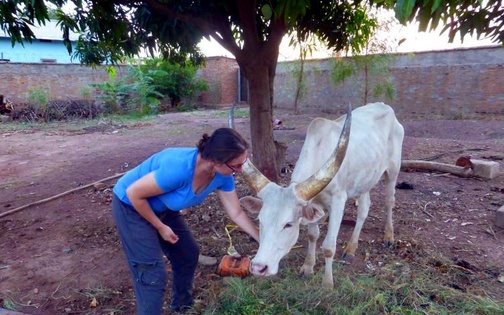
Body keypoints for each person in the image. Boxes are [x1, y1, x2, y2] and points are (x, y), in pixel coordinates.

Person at [111, 127, 260, 314]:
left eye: (243, 164)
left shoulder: (223, 175)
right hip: (131, 207)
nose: (240, 171)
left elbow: (236, 213)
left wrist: (261, 237)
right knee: (152, 273)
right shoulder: (179, 168)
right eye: (236, 166)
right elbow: (134, 193)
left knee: (187, 254)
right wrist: (160, 226)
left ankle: (182, 306)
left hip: (163, 208)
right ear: (215, 161)